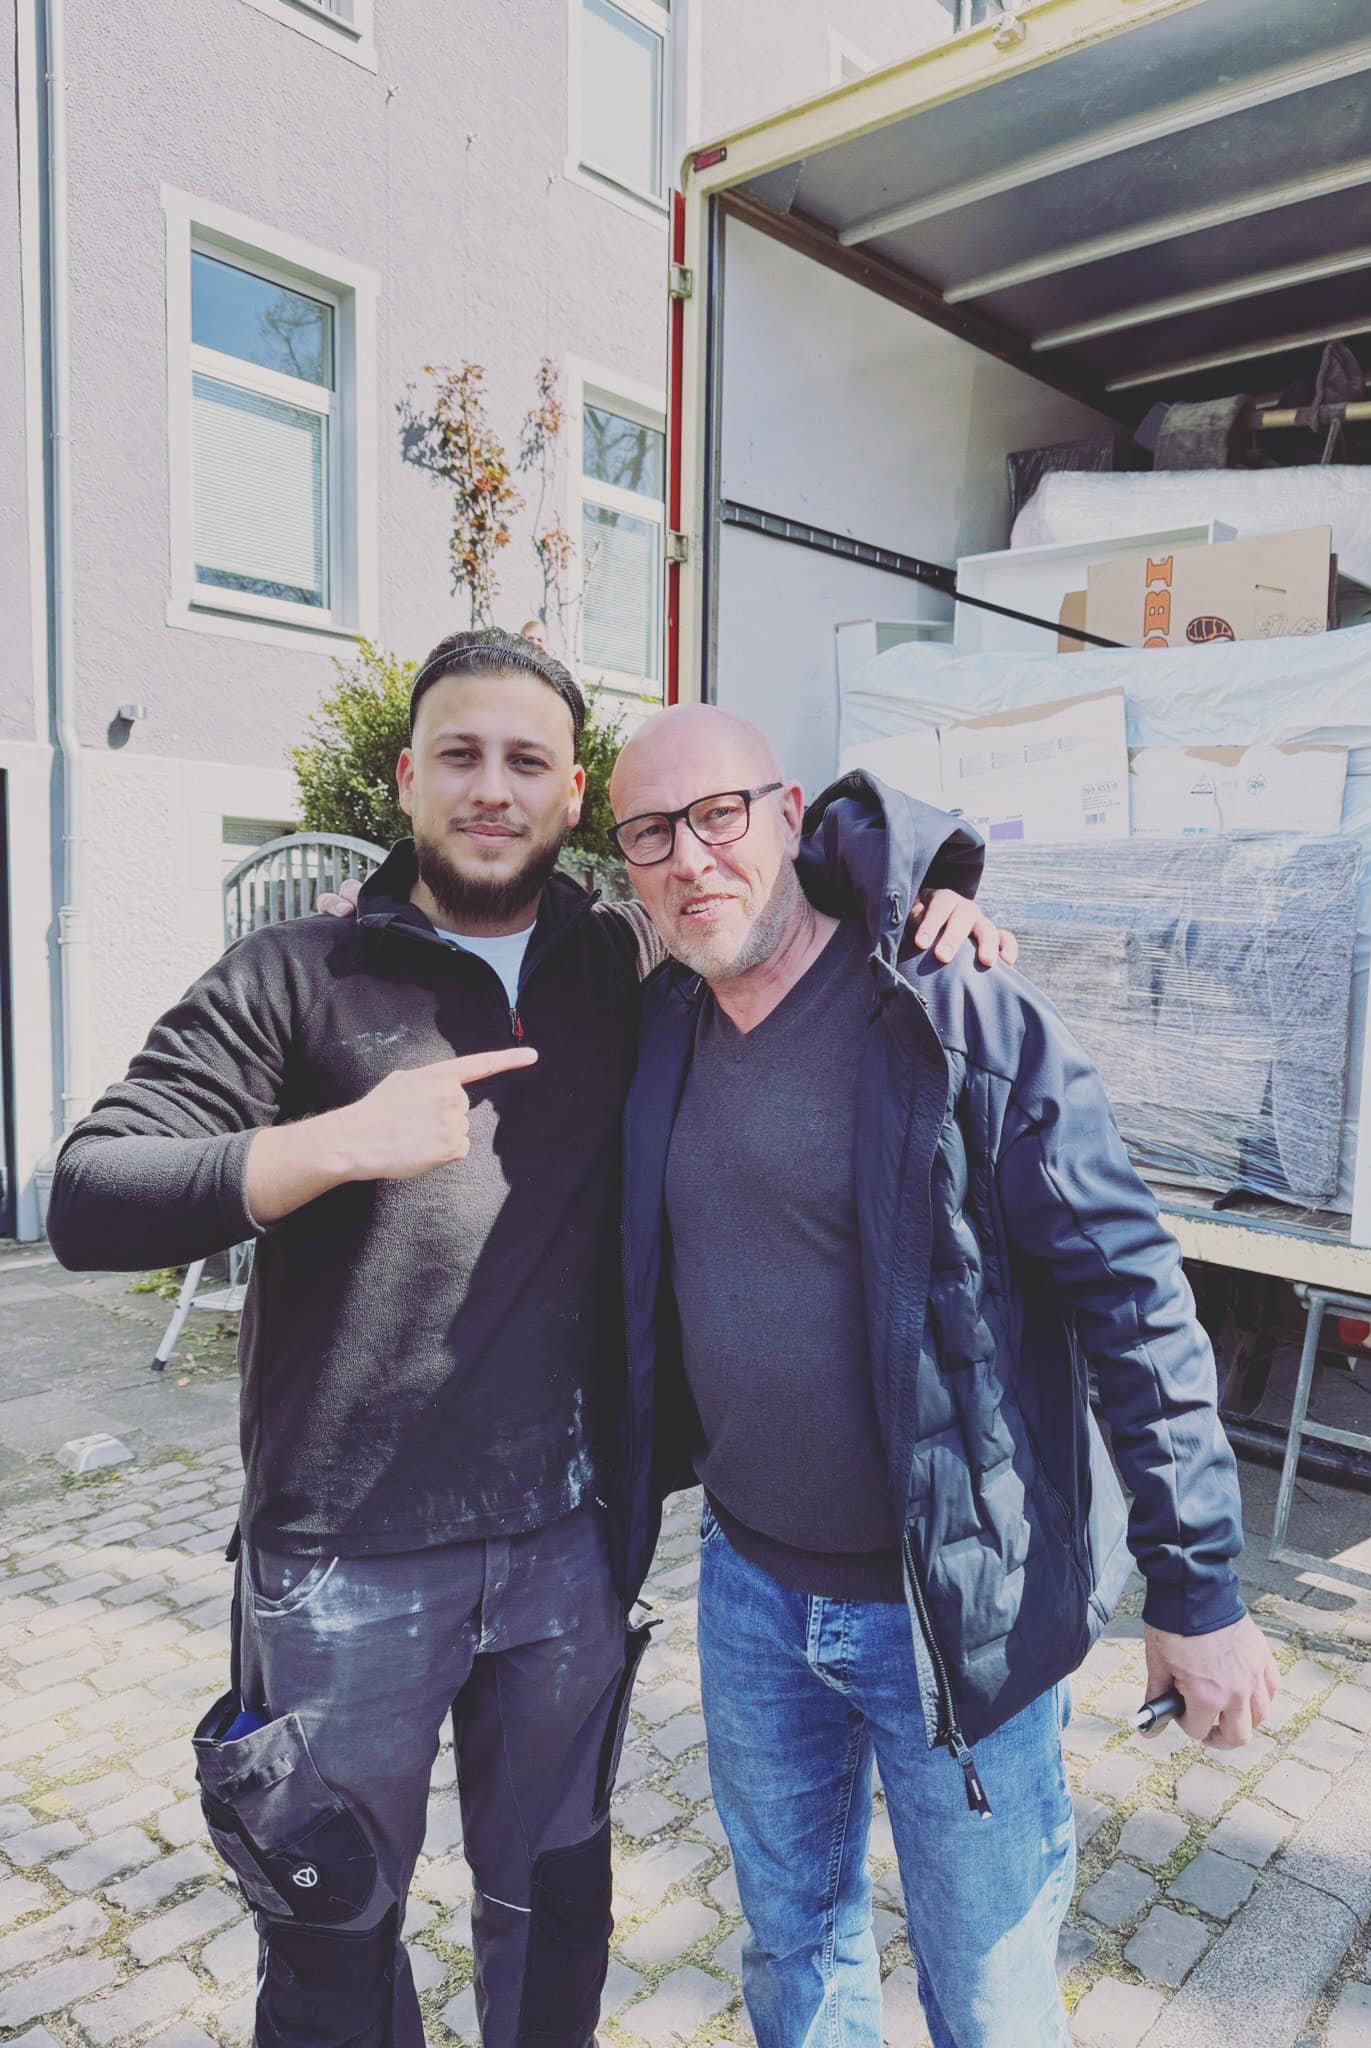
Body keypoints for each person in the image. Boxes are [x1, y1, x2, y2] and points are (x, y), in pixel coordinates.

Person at [46, 628, 1012, 2048]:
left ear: (572, 799)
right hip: (343, 1565)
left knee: (554, 1927)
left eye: (527, 762)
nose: (491, 788)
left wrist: (937, 897)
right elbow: (87, 1196)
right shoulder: (295, 974)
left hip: (569, 1550)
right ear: (408, 780)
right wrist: (330, 1144)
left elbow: (771, 864)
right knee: (328, 1954)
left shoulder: (626, 960)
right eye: (460, 755)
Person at [606, 703, 1280, 2048]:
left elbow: (1132, 1293)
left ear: (790, 814)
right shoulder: (662, 1024)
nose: (691, 858)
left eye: (719, 815)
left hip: (953, 1610)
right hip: (747, 1594)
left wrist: (1197, 1586)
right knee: (795, 1955)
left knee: (988, 1993)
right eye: (650, 834)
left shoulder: (953, 1007)